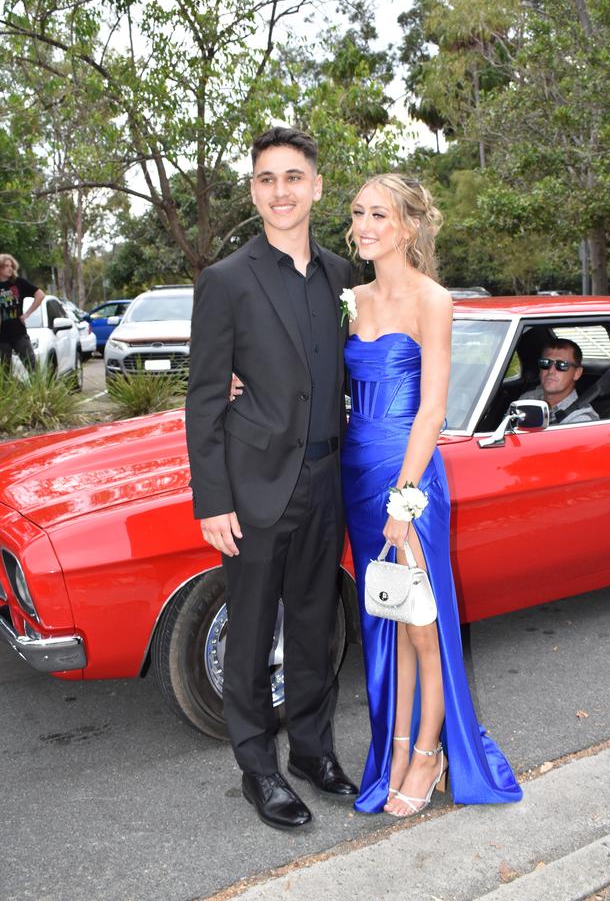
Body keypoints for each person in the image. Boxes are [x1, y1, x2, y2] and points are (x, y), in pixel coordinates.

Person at [185, 127, 358, 832]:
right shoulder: (225, 280)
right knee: (252, 634)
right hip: (254, 485)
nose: (280, 191)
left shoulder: (346, 276)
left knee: (317, 627)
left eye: (293, 177)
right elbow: (203, 395)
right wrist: (212, 498)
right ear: (253, 190)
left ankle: (312, 751)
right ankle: (259, 768)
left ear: (317, 187)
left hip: (328, 478)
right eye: (266, 178)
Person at [342, 174, 522, 816]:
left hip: (407, 475)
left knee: (424, 622)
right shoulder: (352, 296)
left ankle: (427, 753)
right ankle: (391, 746)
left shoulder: (432, 300)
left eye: (380, 215)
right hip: (355, 471)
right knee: (383, 618)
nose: (365, 225)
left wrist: (403, 500)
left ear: (409, 227)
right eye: (359, 213)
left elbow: (433, 410)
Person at [518, 340, 599, 424]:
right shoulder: (527, 398)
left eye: (561, 365)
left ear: (577, 373)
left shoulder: (581, 421)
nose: (551, 371)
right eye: (545, 363)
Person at [0, 254, 44, 374]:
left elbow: (40, 295)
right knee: (4, 374)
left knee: (33, 368)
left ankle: (40, 392)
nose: (10, 269)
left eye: (11, 266)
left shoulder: (18, 283)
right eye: (6, 266)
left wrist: (27, 314)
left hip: (19, 333)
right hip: (2, 338)